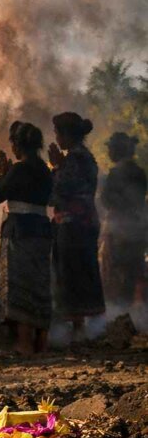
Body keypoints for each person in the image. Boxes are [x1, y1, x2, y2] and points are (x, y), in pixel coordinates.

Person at [0, 121, 53, 355]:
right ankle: (42, 343)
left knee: (21, 286)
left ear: (18, 145)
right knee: (40, 285)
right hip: (42, 231)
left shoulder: (19, 169)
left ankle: (24, 344)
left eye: (14, 144)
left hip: (20, 232)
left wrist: (1, 174)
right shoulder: (45, 170)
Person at [49, 112, 105, 340]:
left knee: (72, 274)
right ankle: (85, 328)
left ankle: (78, 329)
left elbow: (59, 191)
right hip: (85, 224)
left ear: (67, 135)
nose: (56, 138)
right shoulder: (84, 158)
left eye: (57, 133)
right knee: (84, 271)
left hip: (73, 227)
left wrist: (55, 167)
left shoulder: (75, 159)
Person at [100, 132, 147, 309]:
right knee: (132, 274)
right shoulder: (140, 172)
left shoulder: (116, 173)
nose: (109, 152)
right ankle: (132, 317)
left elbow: (106, 201)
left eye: (111, 148)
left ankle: (117, 316)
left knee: (114, 276)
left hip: (118, 232)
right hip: (137, 231)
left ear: (117, 150)